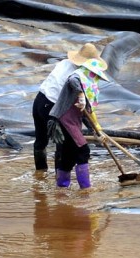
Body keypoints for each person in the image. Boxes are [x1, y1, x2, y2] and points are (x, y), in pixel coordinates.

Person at [32, 43, 101, 172]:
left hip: (39, 101)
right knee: (63, 145)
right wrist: (95, 129)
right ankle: (60, 180)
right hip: (54, 107)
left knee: (41, 141)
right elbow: (83, 108)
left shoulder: (64, 63)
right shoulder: (79, 76)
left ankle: (40, 174)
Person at [48, 57, 110, 189]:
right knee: (83, 150)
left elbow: (86, 114)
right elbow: (72, 80)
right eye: (95, 75)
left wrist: (96, 133)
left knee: (68, 156)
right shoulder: (77, 78)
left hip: (71, 123)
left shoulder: (88, 89)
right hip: (64, 121)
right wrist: (81, 94)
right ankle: (85, 188)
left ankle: (62, 187)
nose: (96, 79)